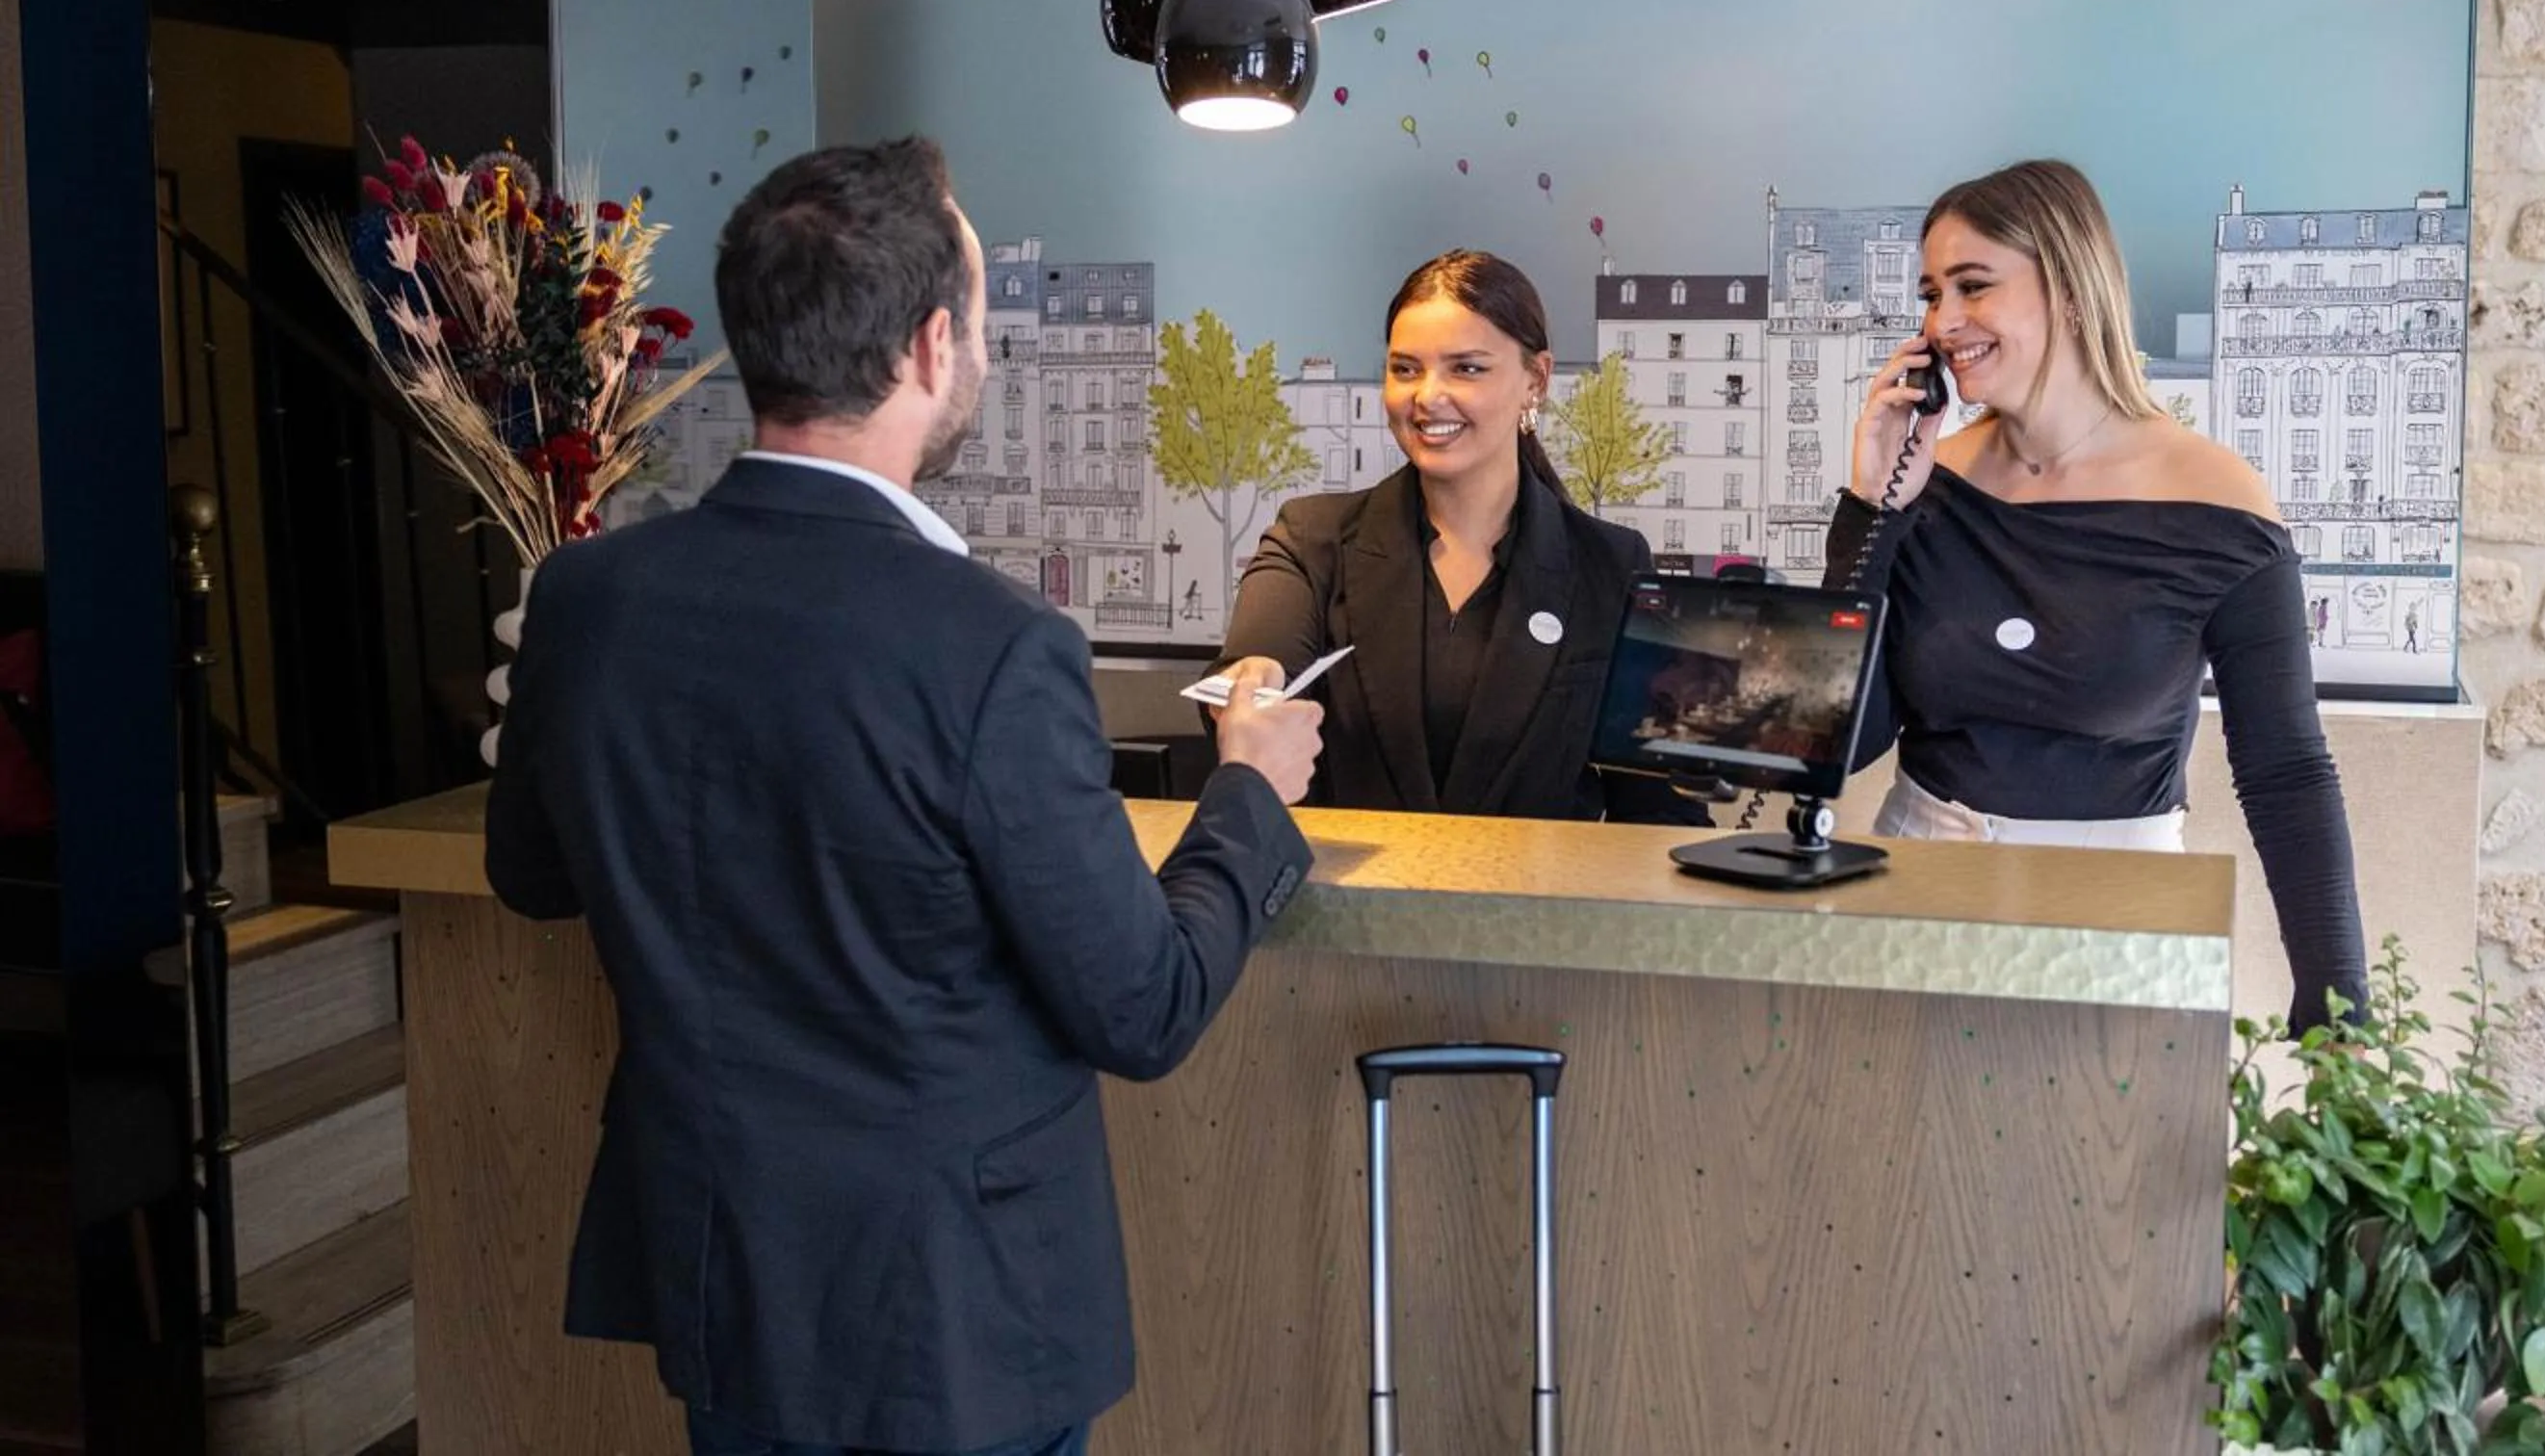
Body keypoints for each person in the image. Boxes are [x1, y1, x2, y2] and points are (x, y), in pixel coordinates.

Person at [484, 138, 1324, 1456]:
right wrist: (1250, 796)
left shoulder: (585, 600)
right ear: (933, 346)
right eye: (982, 321)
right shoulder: (991, 647)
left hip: (725, 1287)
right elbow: (1144, 1006)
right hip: (953, 1326)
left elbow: (533, 878)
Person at [1828, 159, 2367, 1032]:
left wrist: (2337, 1006)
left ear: (2071, 292)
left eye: (1973, 286)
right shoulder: (1929, 488)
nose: (1944, 322)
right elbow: (1841, 742)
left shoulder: (2219, 504)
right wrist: (1871, 509)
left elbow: (2287, 771)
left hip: (2119, 919)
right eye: (1932, 295)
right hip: (1917, 898)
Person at [1215, 249, 1704, 825]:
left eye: (1466, 368)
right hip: (1347, 909)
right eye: (1405, 369)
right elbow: (1259, 662)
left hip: (1531, 912)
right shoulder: (1311, 541)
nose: (1426, 396)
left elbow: (1654, 808)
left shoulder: (1611, 565)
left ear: (1536, 380)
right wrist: (1251, 689)